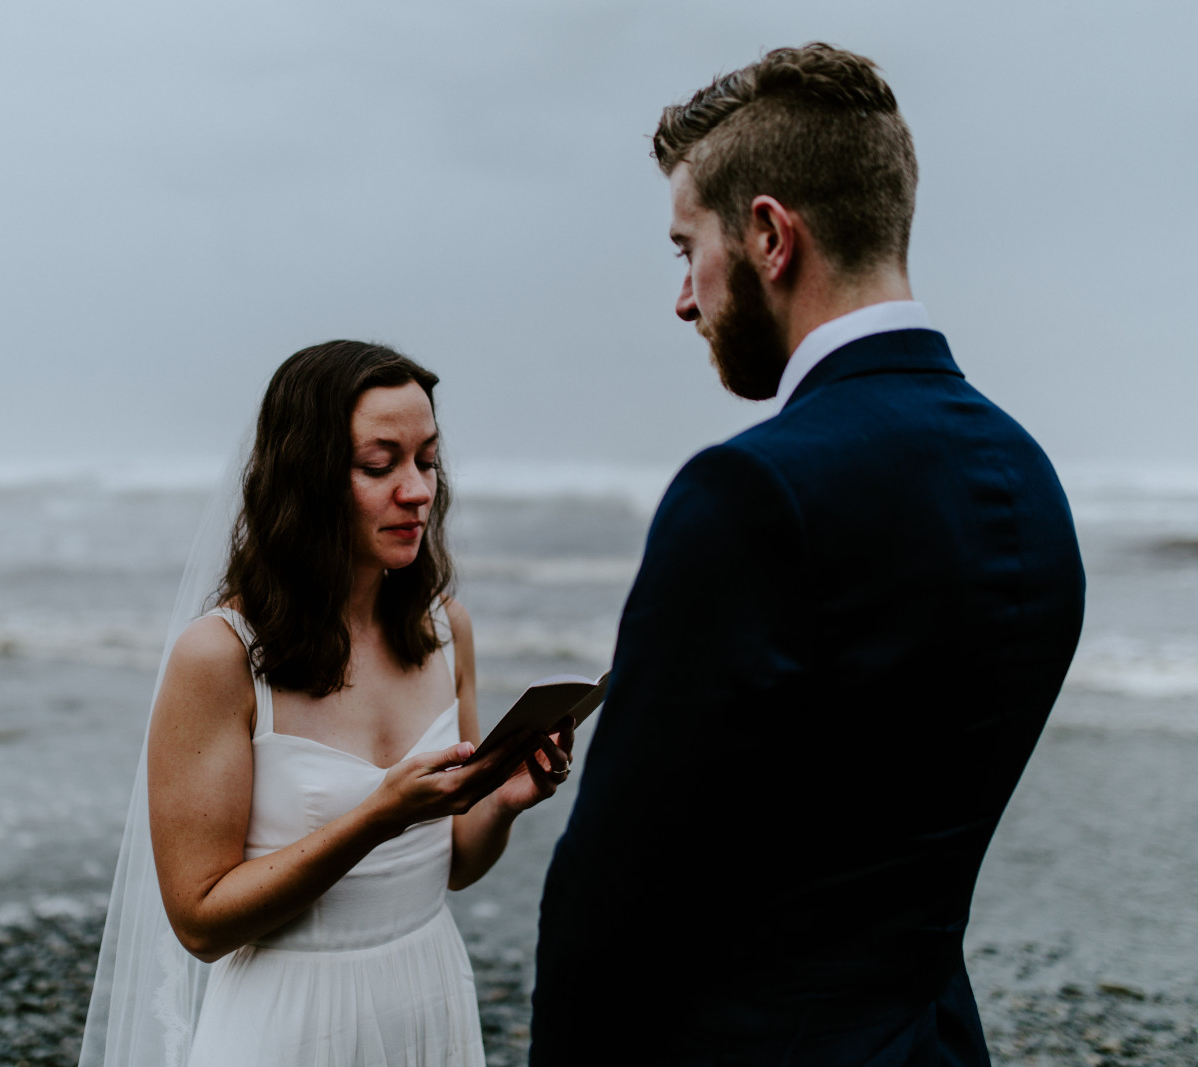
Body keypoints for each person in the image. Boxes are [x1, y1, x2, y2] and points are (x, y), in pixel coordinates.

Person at [531, 44, 1085, 1065]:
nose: (685, 299)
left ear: (769, 235)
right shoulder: (1027, 480)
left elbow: (611, 893)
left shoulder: (748, 493)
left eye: (683, 246)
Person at [80, 340, 574, 1067]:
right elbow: (200, 920)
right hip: (289, 1021)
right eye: (380, 464)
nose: (417, 490)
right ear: (307, 478)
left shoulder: (443, 628)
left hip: (428, 990)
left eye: (427, 460)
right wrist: (376, 815)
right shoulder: (221, 655)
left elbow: (453, 864)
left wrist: (500, 803)